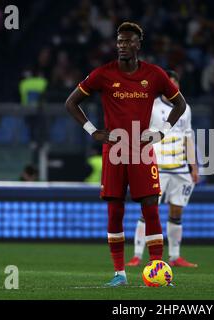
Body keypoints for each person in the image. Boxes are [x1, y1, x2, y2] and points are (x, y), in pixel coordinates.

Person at [65, 22, 187, 287]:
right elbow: (71, 102)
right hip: (115, 151)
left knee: (151, 209)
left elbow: (180, 103)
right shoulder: (102, 74)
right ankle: (119, 274)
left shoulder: (154, 74)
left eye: (127, 41)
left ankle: (158, 271)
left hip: (142, 151)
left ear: (138, 44)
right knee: (114, 211)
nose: (122, 45)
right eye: (119, 41)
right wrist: (93, 131)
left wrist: (162, 132)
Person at [126, 70, 199, 268]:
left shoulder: (186, 108)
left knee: (176, 212)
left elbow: (188, 137)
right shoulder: (151, 106)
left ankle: (174, 257)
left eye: (176, 83)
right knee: (148, 212)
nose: (173, 87)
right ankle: (137, 255)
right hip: (156, 167)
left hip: (180, 168)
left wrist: (194, 165)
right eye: (169, 84)